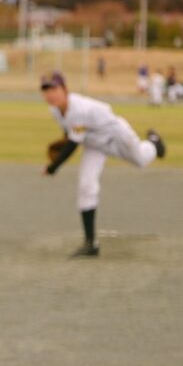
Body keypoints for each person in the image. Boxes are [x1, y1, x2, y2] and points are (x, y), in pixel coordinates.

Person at [41, 71, 166, 257]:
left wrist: (52, 167)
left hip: (116, 135)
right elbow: (70, 134)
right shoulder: (55, 110)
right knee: (86, 185)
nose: (50, 93)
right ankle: (91, 243)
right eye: (46, 89)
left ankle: (154, 142)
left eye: (54, 88)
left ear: (65, 89)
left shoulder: (78, 108)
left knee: (141, 160)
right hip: (94, 144)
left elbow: (73, 144)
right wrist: (64, 140)